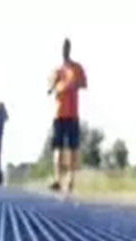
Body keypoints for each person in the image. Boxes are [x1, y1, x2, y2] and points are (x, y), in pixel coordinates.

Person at [47, 38, 87, 192]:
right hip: (59, 113)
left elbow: (83, 83)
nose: (65, 50)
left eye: (67, 47)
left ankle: (70, 180)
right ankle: (57, 179)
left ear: (70, 49)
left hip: (73, 113)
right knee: (57, 148)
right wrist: (55, 85)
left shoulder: (77, 68)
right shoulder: (57, 70)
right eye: (63, 47)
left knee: (72, 148)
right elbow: (49, 88)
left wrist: (73, 84)